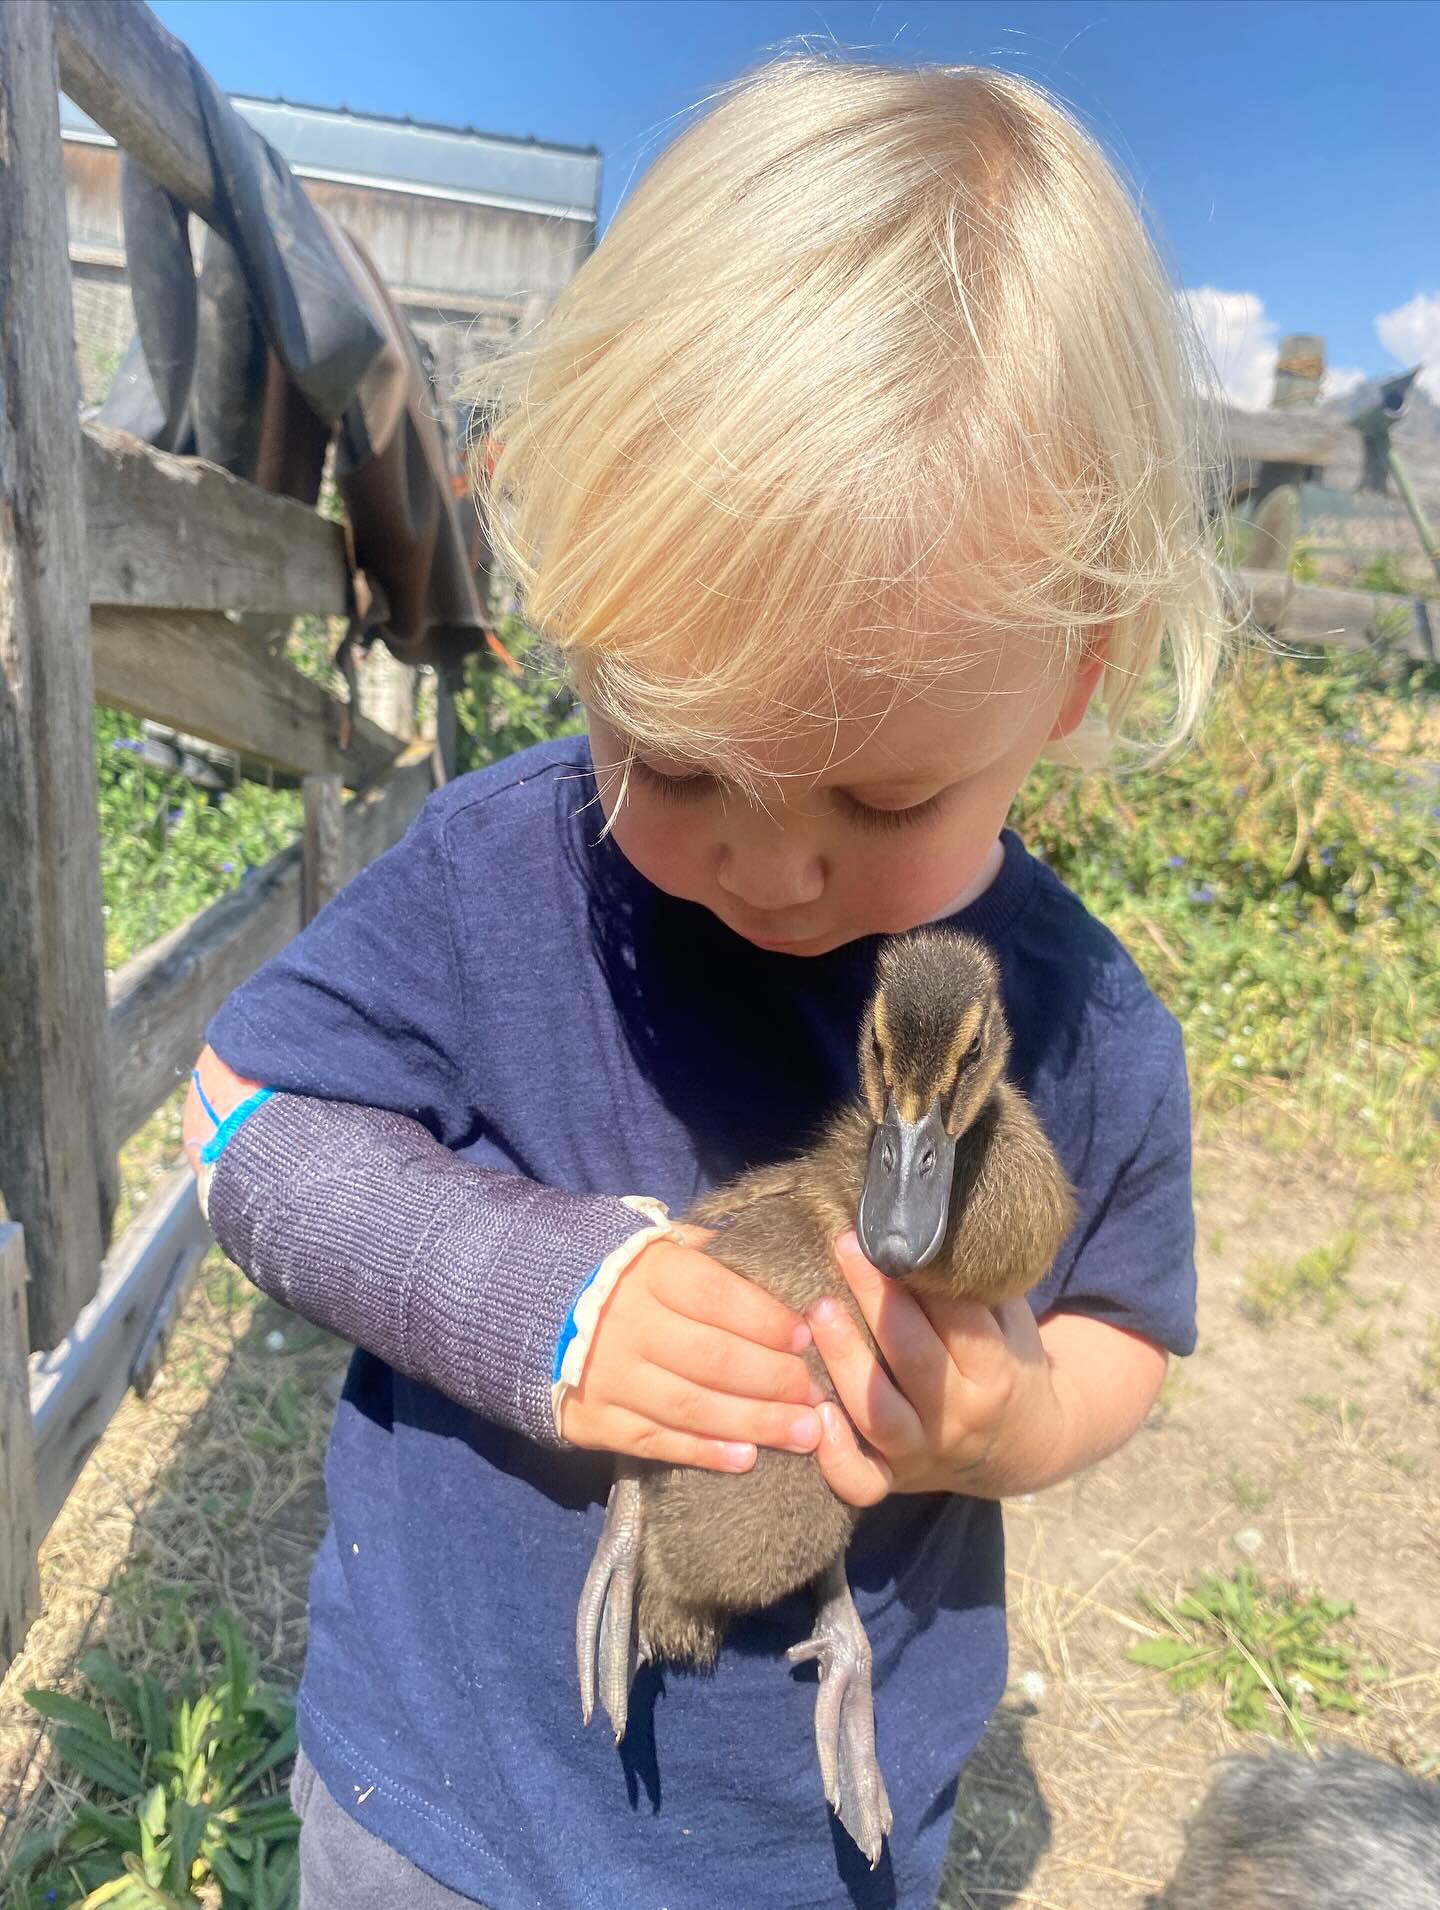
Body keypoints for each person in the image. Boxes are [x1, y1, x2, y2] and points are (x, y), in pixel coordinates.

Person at [183, 53, 1225, 1910]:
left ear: (1074, 676)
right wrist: (534, 1295)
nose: (766, 859)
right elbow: (242, 1123)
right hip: (440, 1808)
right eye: (667, 755)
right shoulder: (501, 874)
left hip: (806, 1848)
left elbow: (1128, 1325)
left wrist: (1014, 1419)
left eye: (883, 793)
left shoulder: (1082, 1027)